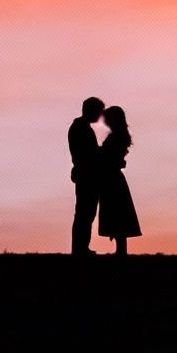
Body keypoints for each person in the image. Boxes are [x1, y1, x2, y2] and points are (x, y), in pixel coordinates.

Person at [96, 105, 142, 256]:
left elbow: (109, 156)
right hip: (112, 176)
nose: (105, 122)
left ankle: (121, 250)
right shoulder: (119, 135)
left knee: (117, 211)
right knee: (117, 211)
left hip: (112, 177)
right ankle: (120, 249)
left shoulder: (117, 136)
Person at [67, 97, 107, 256]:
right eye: (99, 111)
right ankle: (79, 248)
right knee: (85, 212)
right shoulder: (81, 128)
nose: (101, 115)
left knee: (86, 213)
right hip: (86, 175)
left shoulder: (81, 127)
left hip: (85, 173)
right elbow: (87, 154)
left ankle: (81, 247)